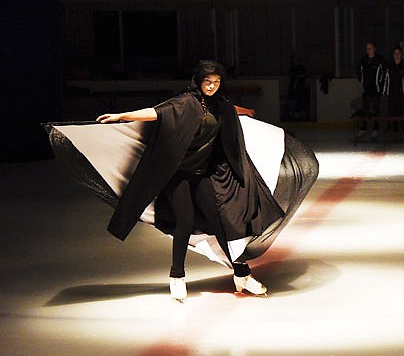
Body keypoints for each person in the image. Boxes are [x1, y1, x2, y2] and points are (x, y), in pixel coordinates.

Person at [45, 60, 319, 303]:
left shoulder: (221, 105)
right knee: (185, 222)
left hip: (204, 176)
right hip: (179, 176)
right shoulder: (185, 102)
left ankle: (241, 275)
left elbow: (229, 109)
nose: (211, 86)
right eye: (207, 82)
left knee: (223, 223)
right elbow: (155, 112)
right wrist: (121, 116)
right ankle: (177, 276)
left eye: (216, 82)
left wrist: (244, 110)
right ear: (198, 82)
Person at [357, 41, 387, 139]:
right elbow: (359, 72)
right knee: (365, 109)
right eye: (367, 48)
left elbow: (384, 73)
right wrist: (362, 82)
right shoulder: (363, 60)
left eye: (370, 48)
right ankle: (363, 128)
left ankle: (376, 129)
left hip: (376, 90)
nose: (369, 50)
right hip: (366, 90)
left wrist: (379, 84)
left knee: (376, 110)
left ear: (374, 48)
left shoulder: (380, 60)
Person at [383, 45, 404, 139]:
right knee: (393, 113)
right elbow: (386, 80)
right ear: (393, 55)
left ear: (401, 54)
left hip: (402, 95)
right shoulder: (389, 66)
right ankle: (395, 132)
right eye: (395, 53)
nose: (397, 55)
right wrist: (385, 92)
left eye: (398, 53)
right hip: (392, 94)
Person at [288, 54, 310, 121]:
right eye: (293, 61)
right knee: (294, 103)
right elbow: (291, 79)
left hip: (301, 89)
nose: (294, 62)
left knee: (301, 103)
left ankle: (302, 117)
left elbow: (305, 77)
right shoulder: (292, 69)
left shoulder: (302, 68)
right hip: (294, 89)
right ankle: (295, 117)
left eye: (295, 60)